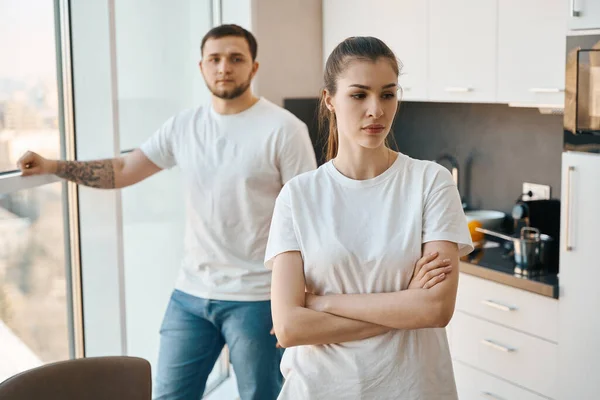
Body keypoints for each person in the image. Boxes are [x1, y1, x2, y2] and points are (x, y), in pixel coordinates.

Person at [17, 24, 318, 400]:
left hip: (257, 297)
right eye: (215, 59)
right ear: (202, 66)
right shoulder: (184, 126)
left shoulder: (285, 129)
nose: (224, 66)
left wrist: (295, 298)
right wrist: (53, 166)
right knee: (169, 396)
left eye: (236, 58)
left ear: (254, 68)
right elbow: (125, 170)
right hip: (190, 296)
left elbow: (307, 216)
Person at [265, 36, 474, 400]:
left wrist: (322, 303)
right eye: (359, 95)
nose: (376, 109)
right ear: (329, 99)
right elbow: (289, 328)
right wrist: (404, 303)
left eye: (388, 94)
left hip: (414, 390)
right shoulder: (297, 197)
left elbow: (436, 308)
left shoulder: (430, 182)